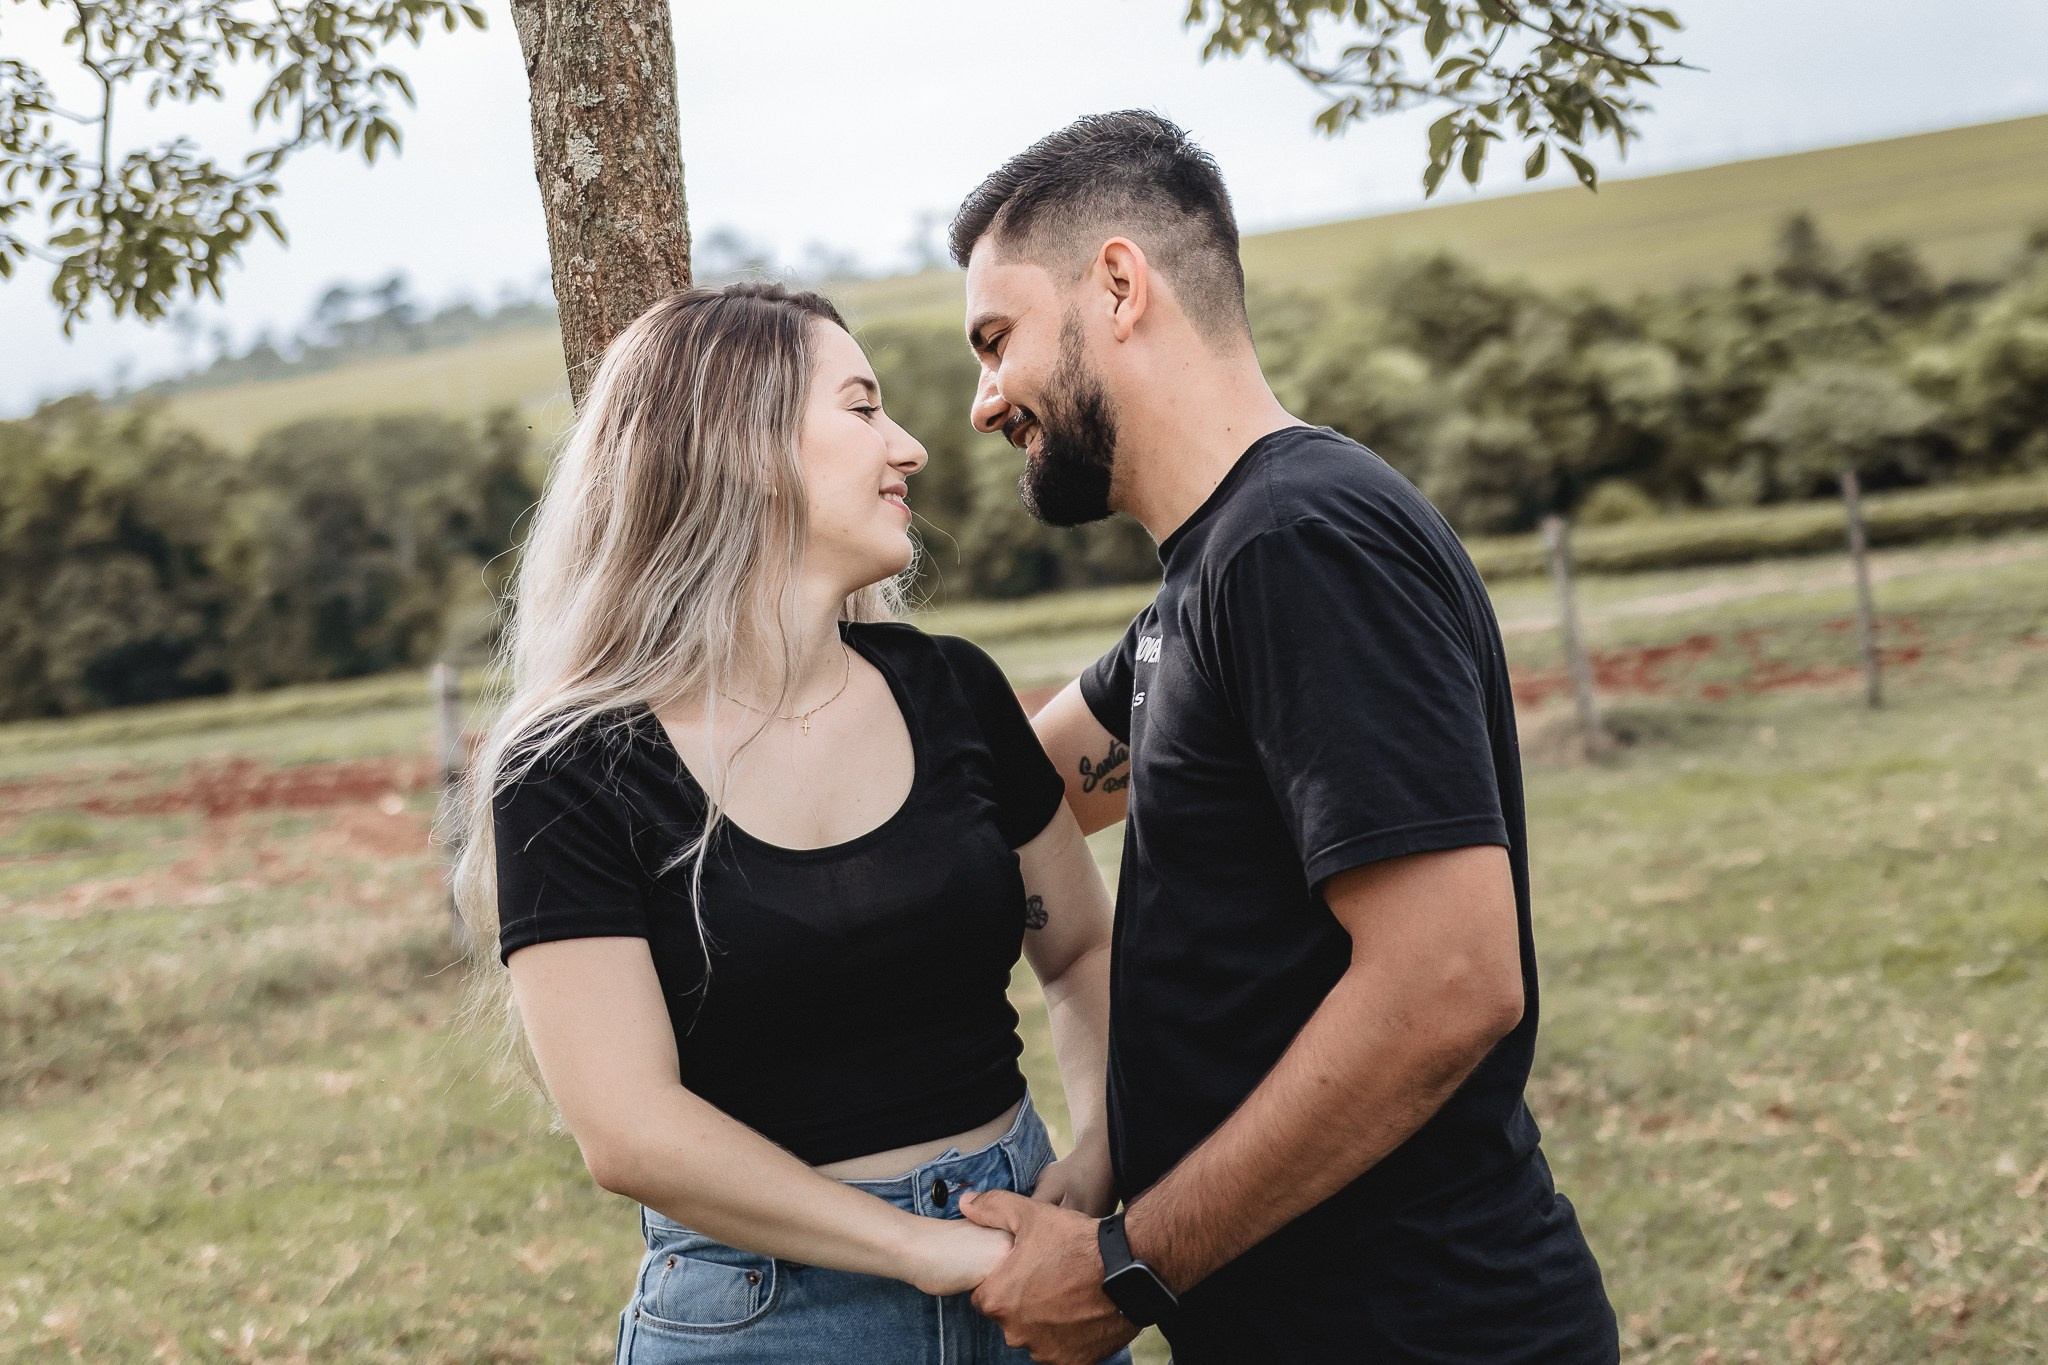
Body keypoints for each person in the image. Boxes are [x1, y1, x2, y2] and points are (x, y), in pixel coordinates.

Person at [946, 112, 1620, 1364]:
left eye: (996, 342)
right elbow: (1003, 785)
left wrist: (1122, 1267)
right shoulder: (1213, 576)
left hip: (1418, 1333)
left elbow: (1446, 986)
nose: (984, 403)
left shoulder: (1299, 546)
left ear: (1115, 284)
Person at [452, 282, 1133, 1365]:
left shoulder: (950, 688)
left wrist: (1096, 1149)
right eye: (862, 409)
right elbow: (628, 1129)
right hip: (770, 1317)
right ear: (738, 446)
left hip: (1029, 1267)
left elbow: (1081, 947)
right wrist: (921, 1252)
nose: (908, 446)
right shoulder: (567, 769)